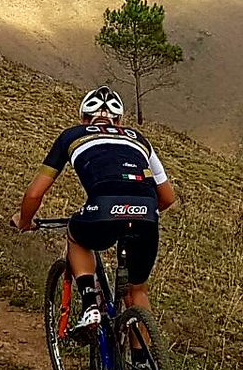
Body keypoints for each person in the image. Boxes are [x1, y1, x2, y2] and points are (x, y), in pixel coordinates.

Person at [10, 86, 177, 343]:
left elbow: (34, 194)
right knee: (137, 291)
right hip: (146, 213)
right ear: (119, 121)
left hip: (103, 207)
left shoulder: (71, 136)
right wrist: (136, 211)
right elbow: (167, 197)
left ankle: (90, 306)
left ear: (84, 118)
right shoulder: (138, 138)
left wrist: (24, 221)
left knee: (77, 234)